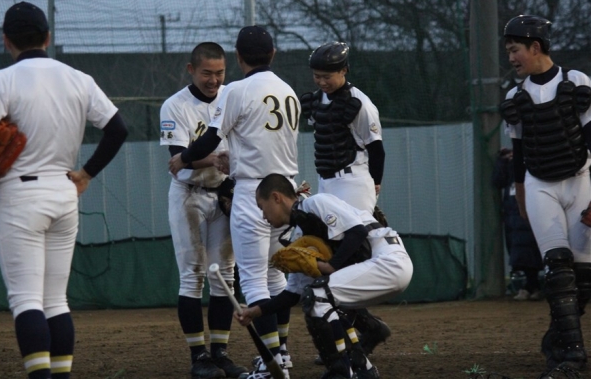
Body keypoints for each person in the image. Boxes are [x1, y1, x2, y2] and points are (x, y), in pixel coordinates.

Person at [0, 1, 128, 379]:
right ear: (48, 37)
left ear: (6, 40)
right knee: (56, 301)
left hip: (22, 196)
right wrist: (87, 174)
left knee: (26, 300)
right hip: (65, 192)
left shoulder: (2, 81)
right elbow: (118, 130)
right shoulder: (78, 78)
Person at [169, 26, 300, 379]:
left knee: (254, 281)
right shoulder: (288, 90)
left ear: (238, 58)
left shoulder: (238, 90)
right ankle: (282, 354)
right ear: (272, 54)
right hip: (287, 191)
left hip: (254, 192)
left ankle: (272, 364)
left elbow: (211, 139)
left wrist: (184, 158)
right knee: (276, 277)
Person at [235, 174, 413, 379]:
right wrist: (256, 311)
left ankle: (340, 371)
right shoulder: (299, 237)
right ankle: (362, 367)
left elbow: (358, 232)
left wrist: (330, 266)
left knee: (318, 296)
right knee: (325, 298)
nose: (263, 216)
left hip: (389, 261)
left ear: (276, 198)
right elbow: (293, 294)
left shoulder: (315, 203)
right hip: (377, 268)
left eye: (262, 207)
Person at [499, 14, 591, 378]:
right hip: (540, 185)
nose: (511, 58)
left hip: (580, 179)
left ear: (535, 47)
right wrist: (522, 198)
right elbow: (519, 153)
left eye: (515, 50)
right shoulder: (514, 97)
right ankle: (571, 356)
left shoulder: (577, 82)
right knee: (557, 268)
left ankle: (557, 339)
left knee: (583, 276)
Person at [159, 42, 247, 379]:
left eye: (220, 72)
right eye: (207, 73)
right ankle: (199, 356)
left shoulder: (232, 97)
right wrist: (214, 158)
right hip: (189, 196)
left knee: (225, 275)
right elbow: (178, 157)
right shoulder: (175, 104)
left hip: (224, 194)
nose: (214, 80)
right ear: (191, 70)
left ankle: (220, 352)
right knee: (193, 276)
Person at [300, 42, 385, 212]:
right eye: (317, 76)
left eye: (327, 77)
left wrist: (376, 181)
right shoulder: (316, 100)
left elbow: (376, 149)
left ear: (343, 70)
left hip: (352, 182)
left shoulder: (359, 103)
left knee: (356, 228)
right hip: (324, 181)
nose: (321, 82)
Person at [491, 147, 543, 301]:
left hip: (530, 211)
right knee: (519, 252)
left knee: (530, 250)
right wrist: (503, 160)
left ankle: (532, 286)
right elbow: (497, 181)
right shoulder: (510, 164)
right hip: (512, 215)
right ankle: (528, 286)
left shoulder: (534, 160)